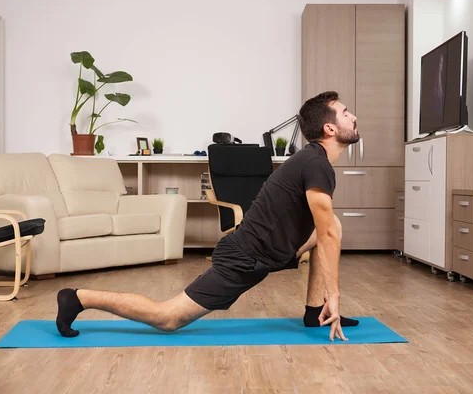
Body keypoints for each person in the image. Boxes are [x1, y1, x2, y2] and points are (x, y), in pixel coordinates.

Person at [55, 90, 360, 342]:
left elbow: (326, 229)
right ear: (329, 128)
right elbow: (327, 236)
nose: (353, 116)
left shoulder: (312, 160)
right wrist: (335, 294)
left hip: (272, 251)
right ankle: (78, 297)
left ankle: (313, 312)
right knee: (168, 318)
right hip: (245, 259)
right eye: (346, 113)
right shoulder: (316, 164)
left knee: (332, 223)